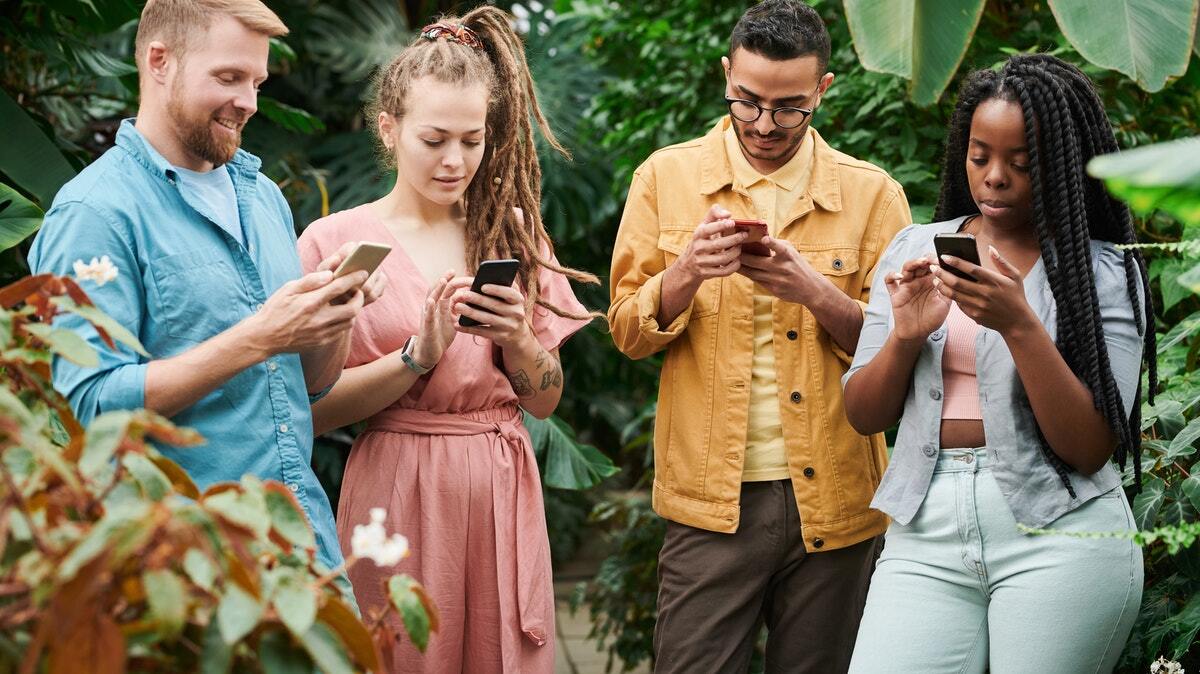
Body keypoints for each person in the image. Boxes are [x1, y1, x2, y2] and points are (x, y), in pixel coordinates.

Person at [26, 0, 384, 574]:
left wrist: (331, 315)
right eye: (228, 77)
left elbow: (307, 387)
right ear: (159, 60)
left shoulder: (262, 195)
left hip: (300, 543)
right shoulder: (95, 213)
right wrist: (260, 337)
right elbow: (87, 408)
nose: (248, 101)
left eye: (257, 81)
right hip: (182, 564)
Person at [607, 1, 911, 670]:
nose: (764, 125)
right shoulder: (666, 178)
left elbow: (902, 352)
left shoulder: (873, 196)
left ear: (823, 90)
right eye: (746, 102)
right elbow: (627, 332)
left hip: (837, 501)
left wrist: (815, 293)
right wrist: (683, 275)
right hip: (709, 504)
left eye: (790, 108)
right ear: (726, 75)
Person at [295, 7, 596, 672]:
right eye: (434, 139)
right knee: (399, 651)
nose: (455, 160)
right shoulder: (335, 243)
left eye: (473, 139)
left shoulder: (511, 232)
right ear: (389, 128)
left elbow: (544, 401)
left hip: (499, 485)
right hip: (397, 485)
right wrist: (415, 360)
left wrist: (518, 339)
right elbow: (308, 412)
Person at [844, 54, 1154, 673]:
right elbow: (863, 413)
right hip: (924, 530)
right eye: (980, 155)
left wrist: (1018, 324)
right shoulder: (913, 248)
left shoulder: (1104, 273)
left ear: (1061, 165)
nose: (995, 178)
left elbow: (1090, 447)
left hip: (1060, 533)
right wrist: (905, 337)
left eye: (1021, 162)